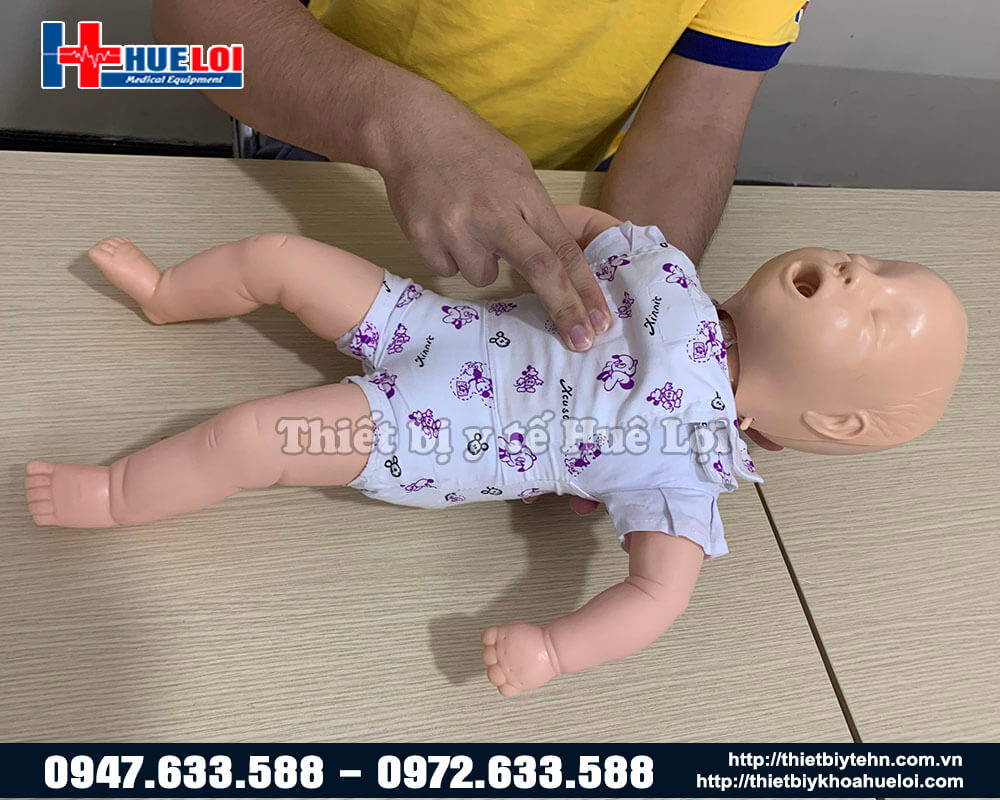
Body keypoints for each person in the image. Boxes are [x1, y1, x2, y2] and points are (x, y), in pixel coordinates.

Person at [151, 0, 809, 356]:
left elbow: (698, 122)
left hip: (561, 195)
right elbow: (192, 27)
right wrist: (400, 126)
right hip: (329, 141)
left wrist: (645, 312)